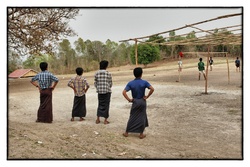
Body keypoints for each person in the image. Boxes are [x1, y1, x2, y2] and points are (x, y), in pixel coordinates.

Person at [122, 67, 154, 139]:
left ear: (134, 74)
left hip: (135, 101)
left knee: (132, 116)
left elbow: (124, 92)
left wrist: (129, 100)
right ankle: (141, 134)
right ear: (141, 74)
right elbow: (152, 89)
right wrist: (147, 96)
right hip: (142, 101)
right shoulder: (144, 82)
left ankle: (127, 132)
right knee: (142, 117)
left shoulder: (131, 83)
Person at [94, 60, 112, 124]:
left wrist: (98, 88)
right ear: (106, 66)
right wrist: (108, 87)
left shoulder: (96, 73)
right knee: (106, 105)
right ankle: (105, 120)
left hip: (99, 91)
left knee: (100, 104)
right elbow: (110, 83)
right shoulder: (108, 73)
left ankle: (98, 119)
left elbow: (95, 83)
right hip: (107, 91)